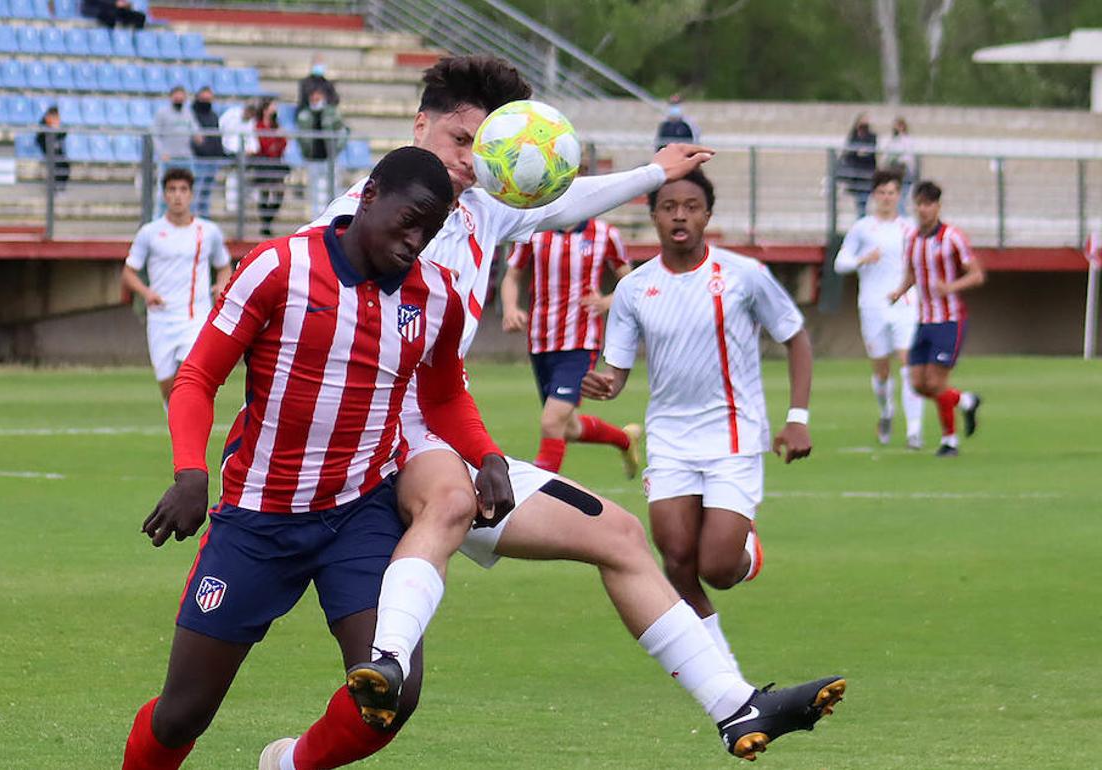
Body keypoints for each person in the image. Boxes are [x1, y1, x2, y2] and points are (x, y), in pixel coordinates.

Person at [266, 56, 845, 767]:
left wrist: (654, 172)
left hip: (438, 440)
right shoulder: (362, 216)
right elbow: (296, 283)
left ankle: (735, 704)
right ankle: (378, 661)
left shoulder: (478, 206)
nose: (472, 162)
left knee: (621, 535)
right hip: (369, 452)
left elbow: (565, 201)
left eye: (488, 149)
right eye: (458, 141)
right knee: (438, 526)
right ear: (418, 126)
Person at [120, 146, 516, 770]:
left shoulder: (435, 297)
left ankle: (289, 765)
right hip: (257, 519)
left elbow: (442, 395)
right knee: (182, 715)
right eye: (409, 219)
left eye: (431, 229)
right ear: (368, 196)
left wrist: (486, 455)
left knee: (391, 694)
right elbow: (197, 377)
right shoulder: (279, 268)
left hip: (358, 516)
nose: (416, 241)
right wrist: (191, 473)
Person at [582, 170, 815, 677]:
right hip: (669, 440)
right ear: (654, 217)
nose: (680, 215)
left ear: (707, 215)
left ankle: (747, 550)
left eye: (691, 206)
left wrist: (797, 418)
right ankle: (723, 674)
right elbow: (617, 371)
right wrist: (603, 384)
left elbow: (795, 336)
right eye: (669, 207)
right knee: (676, 559)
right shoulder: (634, 289)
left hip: (733, 436)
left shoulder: (743, 275)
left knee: (717, 568)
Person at [500, 216, 641, 475]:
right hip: (541, 341)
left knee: (552, 422)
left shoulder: (604, 233)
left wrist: (608, 301)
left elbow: (630, 281)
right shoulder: (534, 230)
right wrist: (510, 308)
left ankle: (542, 493)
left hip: (580, 341)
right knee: (568, 427)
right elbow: (512, 276)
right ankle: (625, 439)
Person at [888, 180, 985, 457]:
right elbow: (912, 273)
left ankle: (950, 441)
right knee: (918, 383)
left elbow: (976, 274)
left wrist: (950, 288)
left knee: (936, 382)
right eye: (919, 203)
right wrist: (899, 291)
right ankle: (965, 400)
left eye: (928, 204)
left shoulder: (952, 237)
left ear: (938, 206)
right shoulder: (913, 239)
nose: (923, 209)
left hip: (949, 320)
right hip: (924, 320)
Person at [121, 168, 232, 405]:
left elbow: (224, 266)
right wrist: (146, 293)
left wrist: (222, 284)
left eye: (183, 190)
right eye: (172, 190)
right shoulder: (149, 233)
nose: (177, 195)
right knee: (167, 387)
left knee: (189, 376)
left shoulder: (208, 231)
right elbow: (128, 273)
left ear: (191, 195)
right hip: (161, 319)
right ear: (164, 195)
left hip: (195, 317)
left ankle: (188, 435)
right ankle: (178, 431)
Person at [834, 169, 923, 448]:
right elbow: (840, 263)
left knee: (909, 363)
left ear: (899, 195)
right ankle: (886, 412)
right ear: (874, 196)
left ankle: (914, 431)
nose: (887, 198)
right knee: (881, 370)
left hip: (905, 303)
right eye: (882, 192)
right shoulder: (863, 228)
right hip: (872, 305)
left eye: (892, 192)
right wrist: (863, 259)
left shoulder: (910, 228)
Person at [297, 87, 348, 218]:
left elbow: (343, 131)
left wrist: (336, 149)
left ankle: (332, 216)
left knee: (333, 189)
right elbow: (301, 136)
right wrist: (305, 151)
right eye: (313, 98)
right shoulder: (305, 114)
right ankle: (316, 218)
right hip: (313, 158)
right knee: (315, 191)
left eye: (317, 97)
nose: (315, 100)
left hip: (329, 158)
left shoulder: (331, 113)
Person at [152, 86, 201, 216]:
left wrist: (198, 137)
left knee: (190, 190)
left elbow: (195, 130)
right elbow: (155, 135)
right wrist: (162, 153)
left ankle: (189, 220)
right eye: (176, 95)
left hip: (185, 158)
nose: (179, 98)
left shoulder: (188, 113)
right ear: (171, 97)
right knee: (163, 193)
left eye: (181, 95)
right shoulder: (162, 113)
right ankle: (158, 220)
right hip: (169, 159)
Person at [251, 98, 290, 237]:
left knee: (279, 193)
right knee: (265, 193)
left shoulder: (276, 126)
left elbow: (283, 144)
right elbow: (264, 146)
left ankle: (268, 220)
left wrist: (279, 140)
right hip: (263, 163)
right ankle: (265, 224)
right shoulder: (259, 126)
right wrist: (276, 142)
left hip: (276, 163)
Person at [189, 87, 225, 218]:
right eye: (204, 98)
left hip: (213, 159)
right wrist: (200, 149)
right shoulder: (192, 114)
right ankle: (192, 218)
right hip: (199, 159)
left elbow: (217, 137)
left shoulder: (213, 115)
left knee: (207, 193)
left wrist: (219, 153)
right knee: (197, 191)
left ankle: (203, 219)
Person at [218, 99, 257, 215]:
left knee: (243, 178)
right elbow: (221, 131)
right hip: (229, 152)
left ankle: (241, 204)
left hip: (245, 155)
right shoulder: (230, 115)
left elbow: (252, 139)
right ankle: (231, 206)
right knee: (233, 178)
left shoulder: (251, 122)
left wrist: (251, 149)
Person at [839, 113, 877, 217]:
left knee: (863, 199)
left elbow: (869, 152)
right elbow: (849, 152)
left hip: (867, 172)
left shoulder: (871, 136)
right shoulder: (853, 136)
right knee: (859, 200)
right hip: (855, 173)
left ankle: (861, 218)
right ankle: (860, 218)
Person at [35, 106, 69, 191]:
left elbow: (63, 135)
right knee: (55, 164)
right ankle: (53, 187)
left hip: (56, 150)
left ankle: (60, 186)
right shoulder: (43, 125)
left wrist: (57, 129)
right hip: (47, 150)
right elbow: (39, 140)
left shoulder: (58, 125)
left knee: (65, 164)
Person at [80, 0, 146, 29]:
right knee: (111, 15)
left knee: (140, 16)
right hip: (95, 9)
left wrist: (123, 4)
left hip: (110, 8)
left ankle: (137, 38)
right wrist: (115, 3)